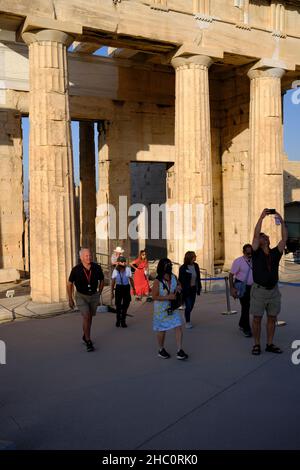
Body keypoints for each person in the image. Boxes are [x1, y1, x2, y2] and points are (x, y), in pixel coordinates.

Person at [250, 209, 288, 356]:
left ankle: (270, 344)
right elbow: (255, 234)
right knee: (257, 319)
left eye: (265, 236)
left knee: (272, 318)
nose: (264, 237)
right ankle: (256, 344)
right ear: (259, 242)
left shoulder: (275, 252)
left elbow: (284, 238)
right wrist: (261, 217)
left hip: (273, 291)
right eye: (262, 237)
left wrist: (280, 219)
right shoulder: (256, 252)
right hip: (259, 291)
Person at [67, 248, 104, 352]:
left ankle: (85, 335)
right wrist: (70, 298)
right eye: (86, 256)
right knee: (86, 316)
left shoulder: (96, 267)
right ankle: (88, 341)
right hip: (81, 296)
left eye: (89, 255)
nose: (89, 257)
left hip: (93, 295)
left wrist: (99, 292)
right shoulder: (76, 269)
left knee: (89, 318)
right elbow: (69, 284)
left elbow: (101, 280)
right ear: (81, 257)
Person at [152, 258, 188, 360]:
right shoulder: (157, 281)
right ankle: (161, 349)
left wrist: (178, 288)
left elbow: (179, 285)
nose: (170, 266)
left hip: (173, 307)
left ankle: (179, 350)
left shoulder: (174, 277)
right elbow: (154, 296)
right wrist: (167, 297)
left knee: (178, 326)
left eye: (170, 264)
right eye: (167, 265)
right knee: (162, 330)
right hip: (161, 310)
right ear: (162, 267)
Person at [229, 244, 253, 337]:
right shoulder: (238, 261)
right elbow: (231, 275)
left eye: (251, 252)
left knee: (246, 307)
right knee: (246, 306)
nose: (250, 254)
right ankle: (247, 329)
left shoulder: (254, 260)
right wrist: (232, 288)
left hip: (253, 287)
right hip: (242, 287)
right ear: (244, 252)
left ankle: (241, 323)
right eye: (248, 253)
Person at [178, 251, 202, 329]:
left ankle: (186, 315)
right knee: (188, 305)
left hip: (194, 288)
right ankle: (187, 321)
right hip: (186, 289)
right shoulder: (183, 268)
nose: (196, 257)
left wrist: (199, 287)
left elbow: (198, 277)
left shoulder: (196, 265)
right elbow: (180, 279)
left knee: (191, 305)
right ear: (190, 258)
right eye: (194, 256)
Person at [111, 256, 136, 328]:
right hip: (119, 287)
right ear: (118, 262)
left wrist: (133, 289)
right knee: (118, 304)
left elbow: (131, 279)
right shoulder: (115, 270)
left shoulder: (128, 269)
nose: (124, 263)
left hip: (126, 287)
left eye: (124, 261)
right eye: (122, 262)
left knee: (126, 304)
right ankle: (118, 320)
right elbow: (113, 281)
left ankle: (123, 321)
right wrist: (112, 292)